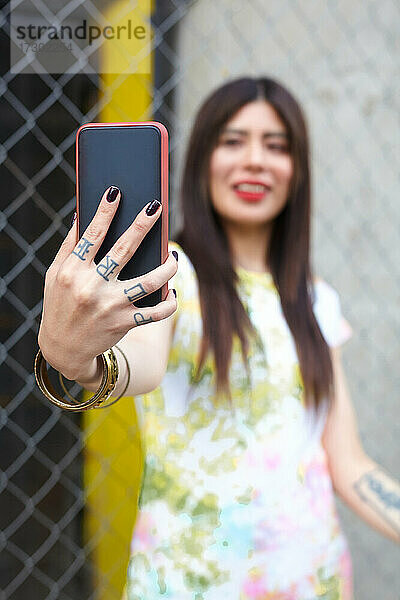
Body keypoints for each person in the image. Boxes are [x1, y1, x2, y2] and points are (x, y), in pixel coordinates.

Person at [38, 76, 399, 600]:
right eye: (233, 141)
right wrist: (74, 359)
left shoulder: (317, 300)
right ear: (201, 158)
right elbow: (137, 367)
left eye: (276, 146)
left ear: (297, 171)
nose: (255, 160)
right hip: (191, 585)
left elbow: (349, 464)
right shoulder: (171, 273)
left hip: (316, 580)